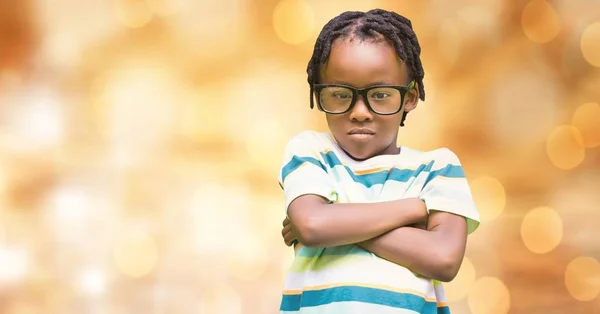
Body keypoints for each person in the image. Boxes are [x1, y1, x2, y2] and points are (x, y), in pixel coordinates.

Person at [277, 8, 480, 314]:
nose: (360, 111)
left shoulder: (437, 168)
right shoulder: (310, 151)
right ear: (319, 96)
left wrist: (337, 223)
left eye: (381, 95)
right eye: (340, 94)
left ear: (410, 97)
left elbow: (443, 259)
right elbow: (312, 225)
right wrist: (415, 210)